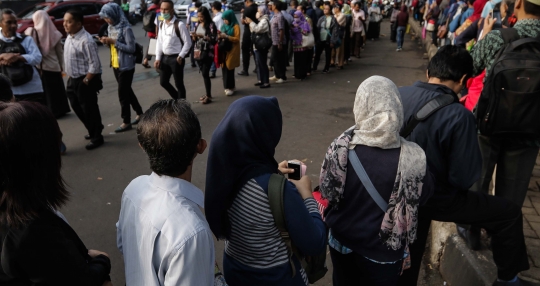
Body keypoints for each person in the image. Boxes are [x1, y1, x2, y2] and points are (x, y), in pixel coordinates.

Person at [397, 46, 530, 286]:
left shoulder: (397, 95)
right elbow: (464, 178)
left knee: (408, 254)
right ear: (465, 80)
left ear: (429, 72)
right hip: (436, 199)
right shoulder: (459, 115)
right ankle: (507, 280)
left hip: (393, 190)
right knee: (508, 213)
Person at [321, 76, 434, 285]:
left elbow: (328, 192)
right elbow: (423, 196)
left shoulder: (341, 146)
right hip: (383, 254)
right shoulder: (414, 157)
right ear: (397, 107)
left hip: (342, 242)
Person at [205, 96, 327, 286]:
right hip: (275, 278)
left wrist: (273, 172)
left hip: (236, 271)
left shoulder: (223, 175)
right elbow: (314, 242)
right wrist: (306, 194)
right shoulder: (281, 191)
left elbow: (248, 189)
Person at [0, 101, 112, 285]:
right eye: (56, 143)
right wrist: (102, 261)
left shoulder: (18, 211)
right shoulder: (33, 231)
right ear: (40, 159)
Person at [117, 99, 214, 286]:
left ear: (142, 146)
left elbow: (124, 244)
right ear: (201, 146)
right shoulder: (191, 232)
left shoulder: (133, 189)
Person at [469, 0, 540, 217]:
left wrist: (484, 35)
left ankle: (471, 230)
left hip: (488, 125)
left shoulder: (499, 38)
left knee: (477, 183)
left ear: (518, 2)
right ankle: (503, 240)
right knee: (511, 198)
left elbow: (469, 67)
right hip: (530, 131)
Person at [63, 8, 104, 150]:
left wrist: (86, 80)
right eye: (64, 21)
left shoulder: (86, 40)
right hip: (72, 79)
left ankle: (97, 136)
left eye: (69, 22)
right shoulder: (70, 36)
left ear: (79, 23)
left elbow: (95, 64)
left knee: (89, 109)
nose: (65, 24)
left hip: (84, 80)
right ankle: (93, 128)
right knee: (77, 107)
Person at [99, 3, 143, 132]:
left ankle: (126, 121)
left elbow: (131, 48)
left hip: (126, 65)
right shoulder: (111, 28)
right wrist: (106, 43)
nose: (107, 20)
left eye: (108, 17)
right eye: (105, 18)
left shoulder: (126, 29)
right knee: (127, 91)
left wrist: (114, 42)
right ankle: (140, 112)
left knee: (122, 94)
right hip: (115, 63)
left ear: (114, 14)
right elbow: (113, 47)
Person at [24, 10, 70, 117]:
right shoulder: (55, 34)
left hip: (40, 67)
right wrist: (61, 66)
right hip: (54, 66)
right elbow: (59, 52)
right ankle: (61, 109)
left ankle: (50, 110)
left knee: (46, 91)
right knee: (57, 90)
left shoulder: (30, 33)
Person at [0, 8, 43, 103]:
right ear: (0, 24)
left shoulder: (27, 39)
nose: (14, 25)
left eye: (15, 22)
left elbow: (37, 58)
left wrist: (18, 57)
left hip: (31, 89)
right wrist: (2, 56)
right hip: (7, 92)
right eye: (9, 22)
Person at [154, 0, 192, 100]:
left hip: (176, 59)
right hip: (165, 58)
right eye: (161, 9)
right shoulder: (162, 24)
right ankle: (178, 101)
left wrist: (181, 56)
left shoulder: (179, 25)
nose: (163, 12)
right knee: (163, 82)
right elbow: (159, 42)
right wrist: (157, 58)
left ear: (172, 10)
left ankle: (183, 108)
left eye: (166, 9)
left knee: (179, 84)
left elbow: (188, 42)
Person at [191, 7, 217, 104]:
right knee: (203, 73)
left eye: (201, 16)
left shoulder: (211, 25)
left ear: (206, 16)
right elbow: (195, 40)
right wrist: (194, 36)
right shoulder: (197, 24)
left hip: (207, 52)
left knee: (205, 73)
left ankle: (209, 96)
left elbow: (214, 39)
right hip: (198, 51)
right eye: (198, 16)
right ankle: (207, 93)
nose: (200, 18)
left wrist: (204, 37)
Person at [245, 5, 271, 89]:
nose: (257, 13)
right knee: (259, 64)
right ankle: (262, 80)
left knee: (262, 63)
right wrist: (250, 23)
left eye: (259, 11)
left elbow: (257, 29)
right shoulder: (261, 20)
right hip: (258, 45)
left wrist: (251, 22)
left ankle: (266, 82)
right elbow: (254, 30)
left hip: (262, 46)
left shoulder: (264, 21)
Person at [218, 10, 240, 96]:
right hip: (224, 51)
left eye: (226, 19)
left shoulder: (236, 27)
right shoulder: (223, 26)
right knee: (225, 68)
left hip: (232, 50)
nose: (225, 21)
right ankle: (228, 86)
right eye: (223, 19)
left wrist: (227, 37)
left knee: (229, 68)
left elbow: (237, 39)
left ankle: (229, 87)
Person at [314, 4, 339, 74]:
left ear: (330, 10)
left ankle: (326, 68)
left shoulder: (333, 19)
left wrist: (332, 41)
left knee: (328, 54)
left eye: (327, 9)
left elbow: (335, 31)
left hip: (328, 39)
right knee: (317, 54)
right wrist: (316, 39)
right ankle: (314, 67)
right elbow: (317, 28)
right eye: (324, 9)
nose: (325, 10)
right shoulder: (321, 18)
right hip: (320, 39)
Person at [269, 0, 288, 83]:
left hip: (279, 42)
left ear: (275, 6)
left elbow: (281, 30)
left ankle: (281, 76)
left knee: (279, 60)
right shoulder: (275, 16)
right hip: (274, 41)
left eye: (272, 5)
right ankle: (277, 75)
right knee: (275, 59)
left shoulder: (280, 16)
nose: (271, 6)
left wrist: (280, 42)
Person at [238, 0, 258, 76]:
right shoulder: (257, 7)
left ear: (247, 1)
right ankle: (258, 67)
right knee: (255, 50)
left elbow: (243, 22)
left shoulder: (247, 10)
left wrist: (242, 13)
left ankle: (245, 69)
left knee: (245, 50)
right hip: (257, 30)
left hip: (248, 32)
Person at [291, 10, 311, 80]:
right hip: (295, 44)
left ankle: (303, 74)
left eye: (297, 17)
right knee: (297, 60)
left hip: (303, 44)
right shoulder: (293, 23)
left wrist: (299, 28)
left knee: (303, 60)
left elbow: (306, 33)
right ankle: (297, 74)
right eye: (294, 16)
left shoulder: (305, 23)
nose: (295, 18)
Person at [142, 0, 161, 68]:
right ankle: (158, 62)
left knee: (151, 45)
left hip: (150, 31)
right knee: (158, 47)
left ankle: (146, 60)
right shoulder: (158, 10)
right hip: (157, 31)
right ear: (159, 2)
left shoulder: (149, 9)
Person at [331, 4, 346, 69]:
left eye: (335, 8)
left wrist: (335, 18)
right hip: (333, 34)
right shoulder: (334, 15)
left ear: (338, 8)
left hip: (339, 34)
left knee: (340, 50)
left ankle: (340, 63)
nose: (334, 9)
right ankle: (332, 62)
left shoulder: (342, 15)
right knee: (333, 49)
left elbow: (336, 22)